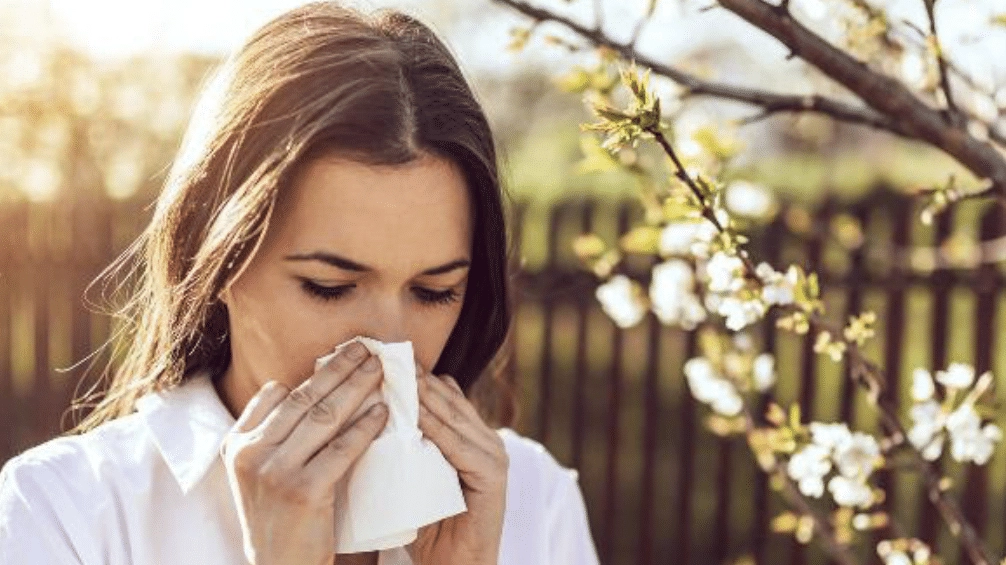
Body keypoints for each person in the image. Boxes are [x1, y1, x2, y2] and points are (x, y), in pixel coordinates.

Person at [0, 3, 600, 565]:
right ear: (219, 262)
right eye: (329, 286)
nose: (387, 345)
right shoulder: (65, 511)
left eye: (434, 291)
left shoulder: (530, 499)